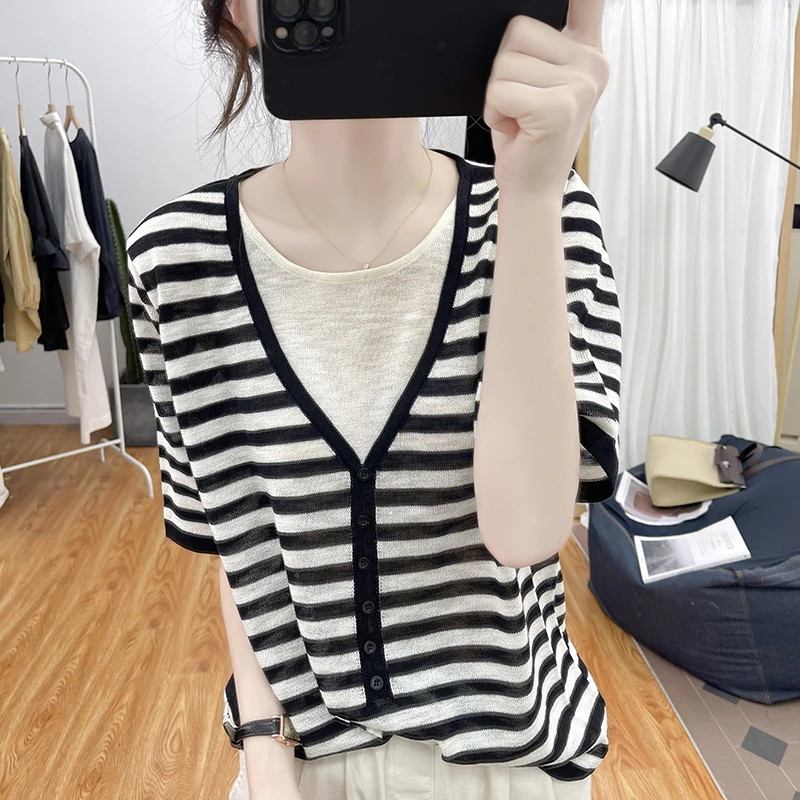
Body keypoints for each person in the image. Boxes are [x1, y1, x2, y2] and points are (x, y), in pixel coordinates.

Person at [126, 0, 618, 798]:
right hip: (296, 765)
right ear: (234, 15)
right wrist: (263, 755)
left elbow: (526, 533)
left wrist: (532, 192)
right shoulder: (176, 260)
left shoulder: (552, 216)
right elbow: (241, 540)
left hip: (509, 768)